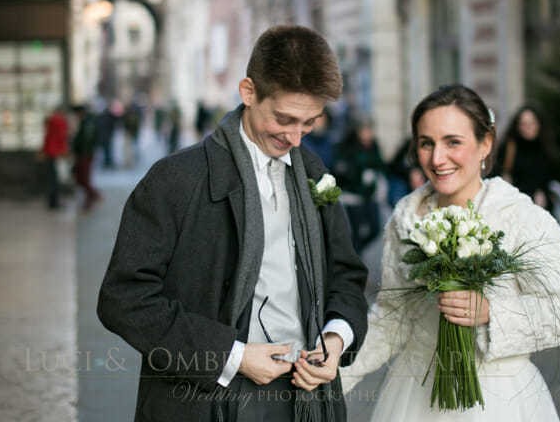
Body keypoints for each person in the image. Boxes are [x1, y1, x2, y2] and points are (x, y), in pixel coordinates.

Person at [97, 25, 369, 422]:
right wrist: (233, 356)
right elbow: (123, 299)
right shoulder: (176, 178)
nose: (296, 138)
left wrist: (336, 337)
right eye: (285, 119)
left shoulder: (312, 170)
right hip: (204, 400)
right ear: (248, 92)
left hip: (309, 400)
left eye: (310, 123)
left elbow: (347, 274)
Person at [341, 84, 560, 421]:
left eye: (453, 142)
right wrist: (336, 374)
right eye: (426, 143)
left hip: (499, 398)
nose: (437, 159)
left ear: (485, 144)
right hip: (415, 392)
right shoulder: (406, 216)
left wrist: (490, 312)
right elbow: (393, 315)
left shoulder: (522, 217)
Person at [333, 117, 387, 254]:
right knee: (356, 232)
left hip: (370, 194)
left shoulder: (373, 145)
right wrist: (359, 172)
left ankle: (357, 253)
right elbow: (342, 170)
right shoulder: (348, 147)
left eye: (370, 130)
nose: (368, 134)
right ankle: (357, 259)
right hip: (353, 196)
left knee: (375, 228)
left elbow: (380, 164)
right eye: (364, 130)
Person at [493, 105, 556, 210]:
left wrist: (543, 192)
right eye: (524, 124)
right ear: (517, 126)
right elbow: (496, 174)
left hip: (541, 209)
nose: (528, 128)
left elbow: (550, 178)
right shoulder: (509, 148)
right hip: (515, 206)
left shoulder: (545, 147)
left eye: (532, 123)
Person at [72, 104, 101, 210]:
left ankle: (91, 199)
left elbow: (87, 140)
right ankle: (94, 195)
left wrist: (82, 153)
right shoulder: (85, 122)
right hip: (84, 154)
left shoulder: (87, 123)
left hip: (85, 155)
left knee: (84, 178)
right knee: (80, 178)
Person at [41, 105, 69, 209]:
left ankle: (52, 202)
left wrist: (44, 151)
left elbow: (47, 138)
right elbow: (62, 138)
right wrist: (65, 151)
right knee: (56, 179)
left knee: (51, 179)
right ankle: (55, 202)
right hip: (57, 154)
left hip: (50, 153)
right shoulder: (61, 122)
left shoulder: (51, 121)